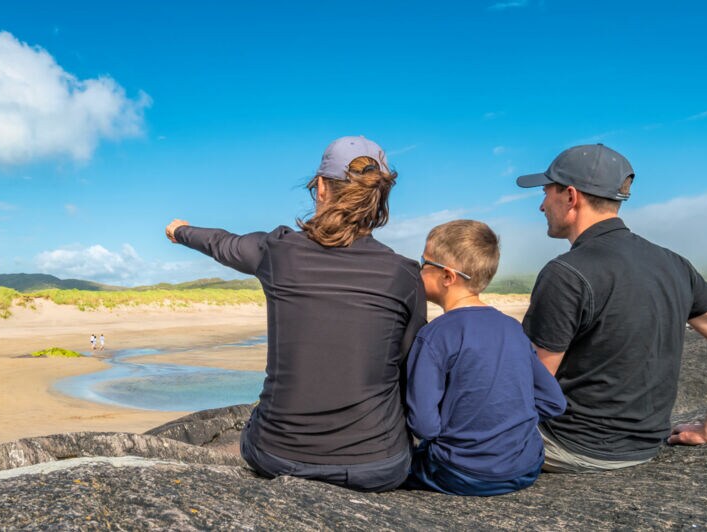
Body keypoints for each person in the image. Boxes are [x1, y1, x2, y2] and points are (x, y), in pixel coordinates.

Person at [165, 136, 425, 492]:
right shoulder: (404, 274)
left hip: (275, 454)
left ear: (320, 188)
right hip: (376, 465)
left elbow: (222, 243)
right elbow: (410, 368)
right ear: (379, 196)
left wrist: (179, 231)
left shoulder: (278, 251)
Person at [515, 144, 707, 473]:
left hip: (568, 445)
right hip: (647, 446)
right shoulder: (673, 264)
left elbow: (531, 383)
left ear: (571, 196)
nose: (541, 205)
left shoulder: (566, 273)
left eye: (547, 193)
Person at [406, 220, 566, 495]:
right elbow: (553, 402)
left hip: (459, 473)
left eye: (424, 263)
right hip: (526, 467)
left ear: (447, 276)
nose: (419, 271)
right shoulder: (513, 329)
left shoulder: (434, 336)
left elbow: (424, 424)